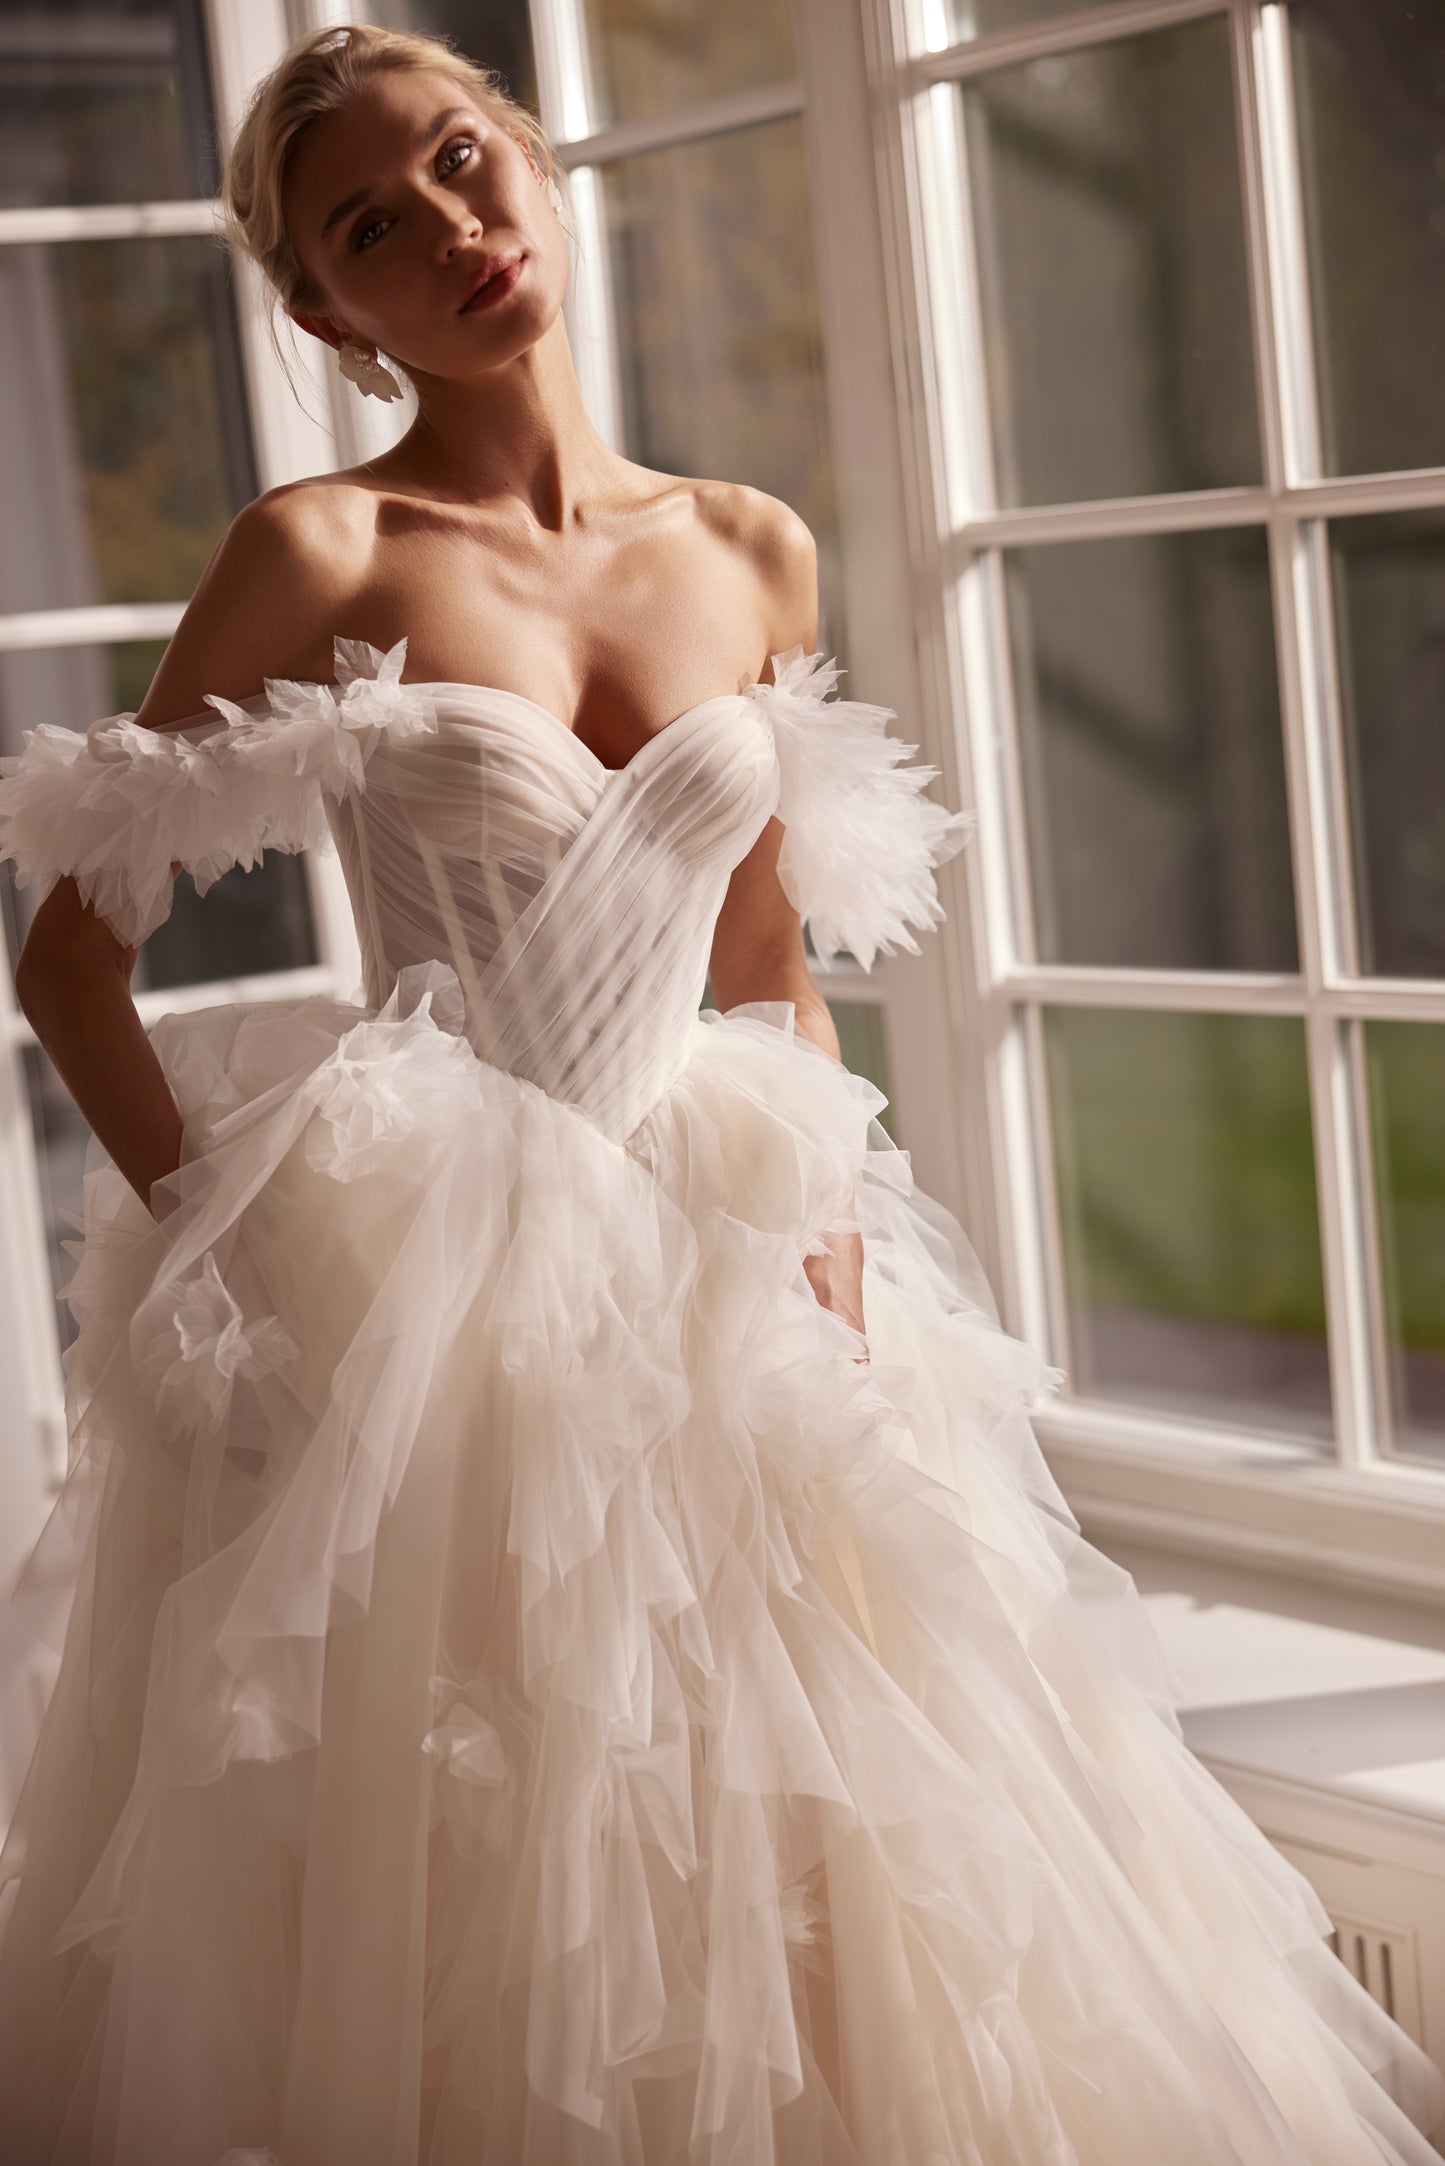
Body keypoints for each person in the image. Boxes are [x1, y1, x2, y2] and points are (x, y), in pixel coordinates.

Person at [0, 20, 1440, 2165]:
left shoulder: (748, 547)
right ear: (322, 308)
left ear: (535, 159)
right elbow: (66, 959)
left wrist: (834, 1283)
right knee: (485, 1873)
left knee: (846, 1840)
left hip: (732, 1255)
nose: (454, 230)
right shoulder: (318, 553)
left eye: (467, 162)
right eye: (372, 226)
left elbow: (769, 969)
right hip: (435, 1307)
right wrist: (226, 1261)